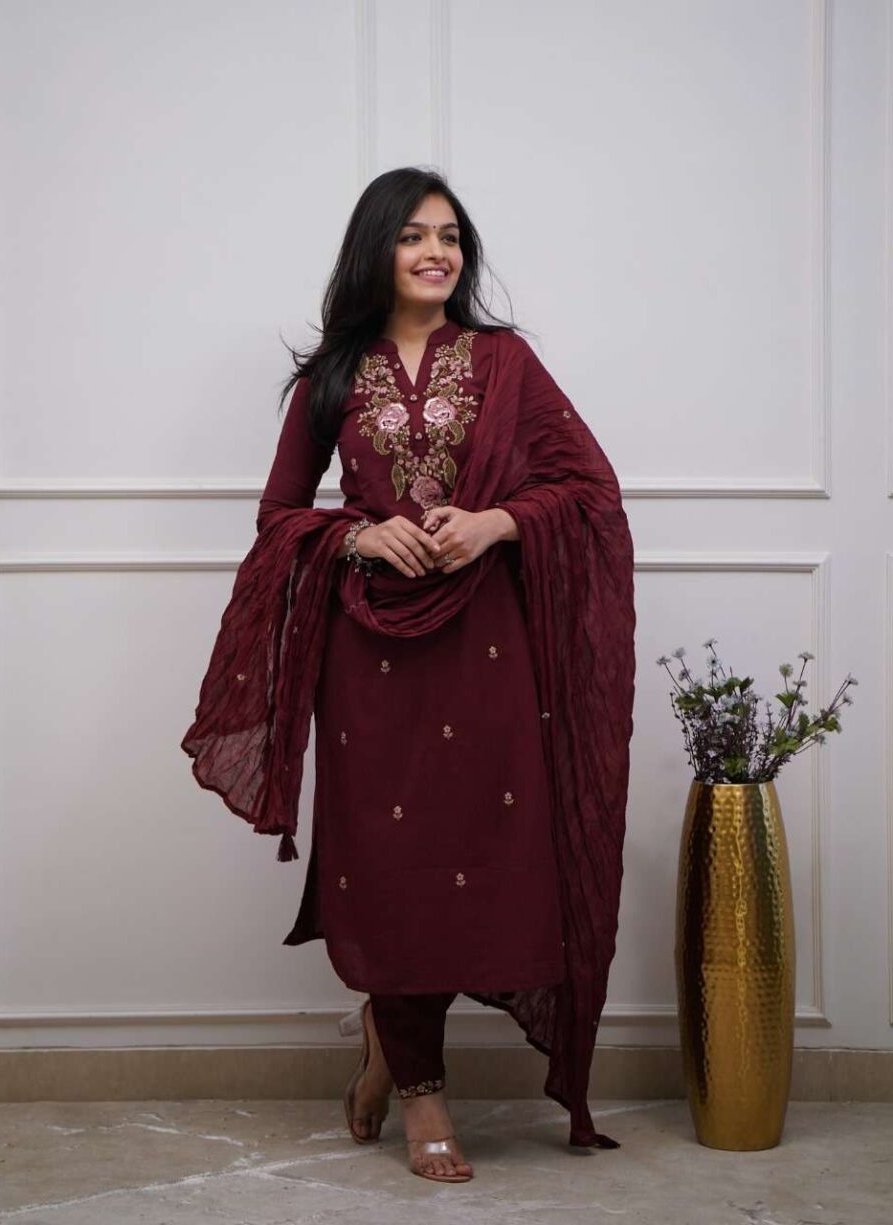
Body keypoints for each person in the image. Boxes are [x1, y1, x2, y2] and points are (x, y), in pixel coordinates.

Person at [181, 167, 637, 1184]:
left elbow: (587, 488)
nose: (437, 253)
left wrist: (495, 521)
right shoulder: (334, 375)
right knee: (389, 866)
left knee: (484, 856)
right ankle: (422, 1091)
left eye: (450, 237)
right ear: (376, 249)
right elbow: (279, 518)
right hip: (370, 655)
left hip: (487, 647)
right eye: (414, 236)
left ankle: (387, 1044)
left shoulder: (505, 361)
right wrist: (358, 536)